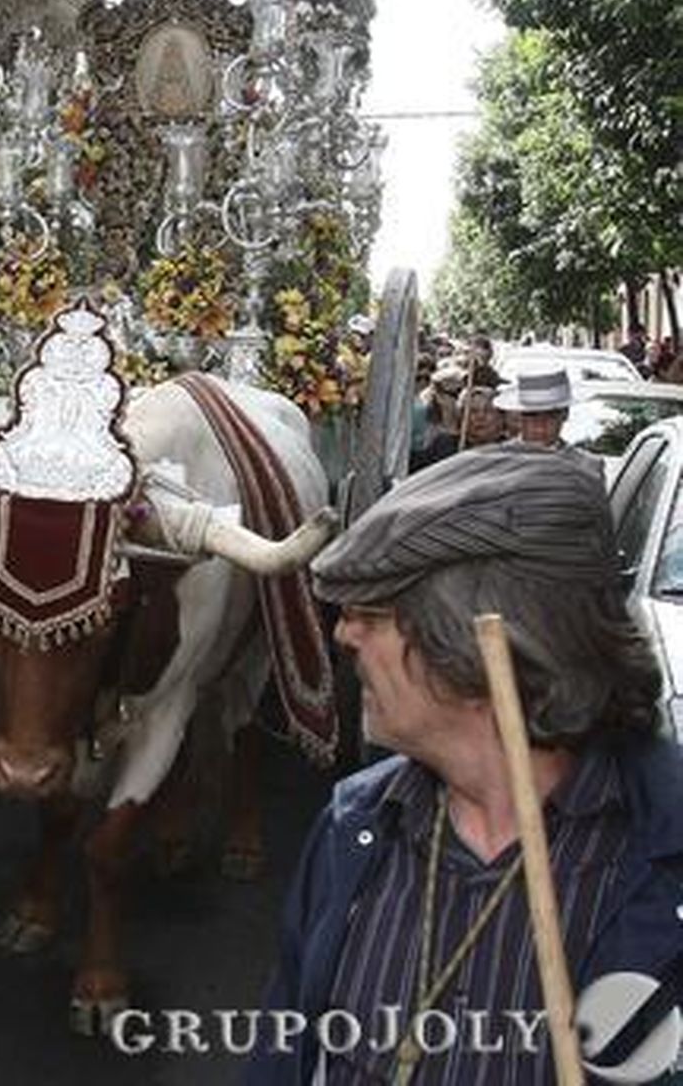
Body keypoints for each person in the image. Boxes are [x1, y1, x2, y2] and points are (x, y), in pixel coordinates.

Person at [249, 444, 680, 1085]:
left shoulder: (663, 850)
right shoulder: (355, 827)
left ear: (486, 646)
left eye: (373, 612)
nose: (345, 635)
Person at [495, 366, 572, 448]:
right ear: (519, 415)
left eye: (550, 415)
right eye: (532, 414)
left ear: (565, 414)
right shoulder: (490, 458)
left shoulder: (582, 460)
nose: (540, 425)